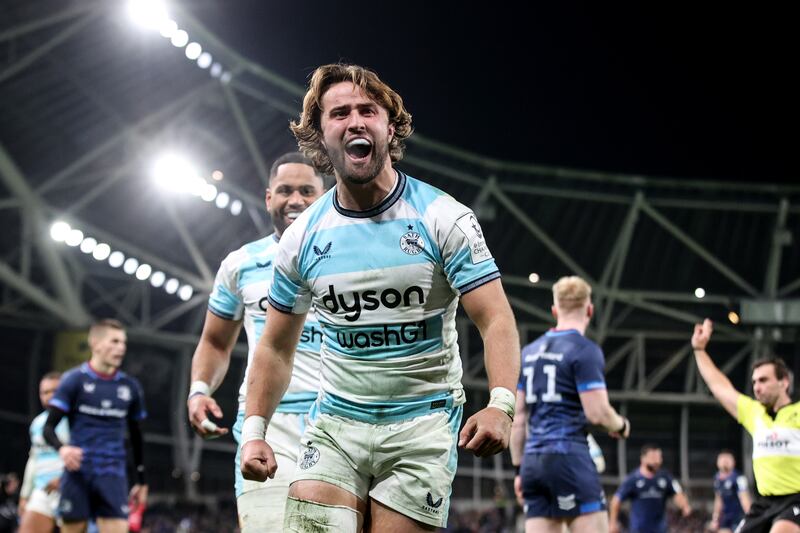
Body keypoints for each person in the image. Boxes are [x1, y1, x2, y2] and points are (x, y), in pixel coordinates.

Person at [240, 63, 520, 532]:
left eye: (368, 110)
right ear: (319, 136)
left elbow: (495, 318)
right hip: (335, 423)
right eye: (339, 113)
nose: (355, 121)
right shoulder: (302, 237)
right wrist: (254, 432)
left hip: (422, 424)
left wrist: (501, 404)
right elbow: (274, 346)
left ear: (390, 127)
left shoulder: (443, 218)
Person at [186, 151, 326, 531]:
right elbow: (215, 342)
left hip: (339, 418)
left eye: (306, 191)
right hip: (267, 422)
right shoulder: (240, 264)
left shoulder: (351, 258)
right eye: (284, 190)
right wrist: (199, 390)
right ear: (268, 198)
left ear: (325, 194)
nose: (294, 200)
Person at [510, 275, 630, 533]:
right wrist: (621, 426)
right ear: (590, 309)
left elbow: (518, 419)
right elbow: (598, 413)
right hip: (569, 458)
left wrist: (519, 469)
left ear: (554, 310)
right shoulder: (585, 350)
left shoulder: (528, 353)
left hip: (533, 463)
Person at [692, 318, 800, 533]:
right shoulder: (754, 413)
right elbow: (718, 385)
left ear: (784, 381)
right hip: (765, 503)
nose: (756, 387)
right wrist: (699, 350)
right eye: (754, 382)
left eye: (763, 380)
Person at [43, 319, 147, 533]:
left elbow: (136, 438)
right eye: (115, 341)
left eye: (123, 342)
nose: (121, 348)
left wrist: (141, 480)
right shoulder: (73, 381)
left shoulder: (130, 387)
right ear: (95, 343)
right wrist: (62, 449)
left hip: (113, 475)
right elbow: (48, 428)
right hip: (78, 474)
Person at [18, 372, 70, 533]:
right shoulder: (37, 424)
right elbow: (34, 459)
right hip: (42, 491)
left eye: (54, 391)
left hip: (69, 490)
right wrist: (25, 494)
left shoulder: (74, 421)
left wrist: (64, 479)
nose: (49, 396)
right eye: (44, 392)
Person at [609, 444, 691, 533]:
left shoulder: (665, 477)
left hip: (660, 530)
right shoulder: (633, 479)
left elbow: (677, 493)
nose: (657, 461)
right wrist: (612, 523)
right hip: (638, 530)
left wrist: (684, 506)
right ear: (643, 458)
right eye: (653, 457)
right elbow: (616, 500)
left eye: (659, 457)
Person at [710, 450, 751, 532]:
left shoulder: (739, 478)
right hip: (725, 517)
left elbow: (744, 499)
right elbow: (718, 500)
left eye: (728, 459)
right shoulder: (716, 478)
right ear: (717, 462)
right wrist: (715, 519)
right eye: (722, 459)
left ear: (733, 462)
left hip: (738, 516)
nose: (725, 462)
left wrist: (750, 517)